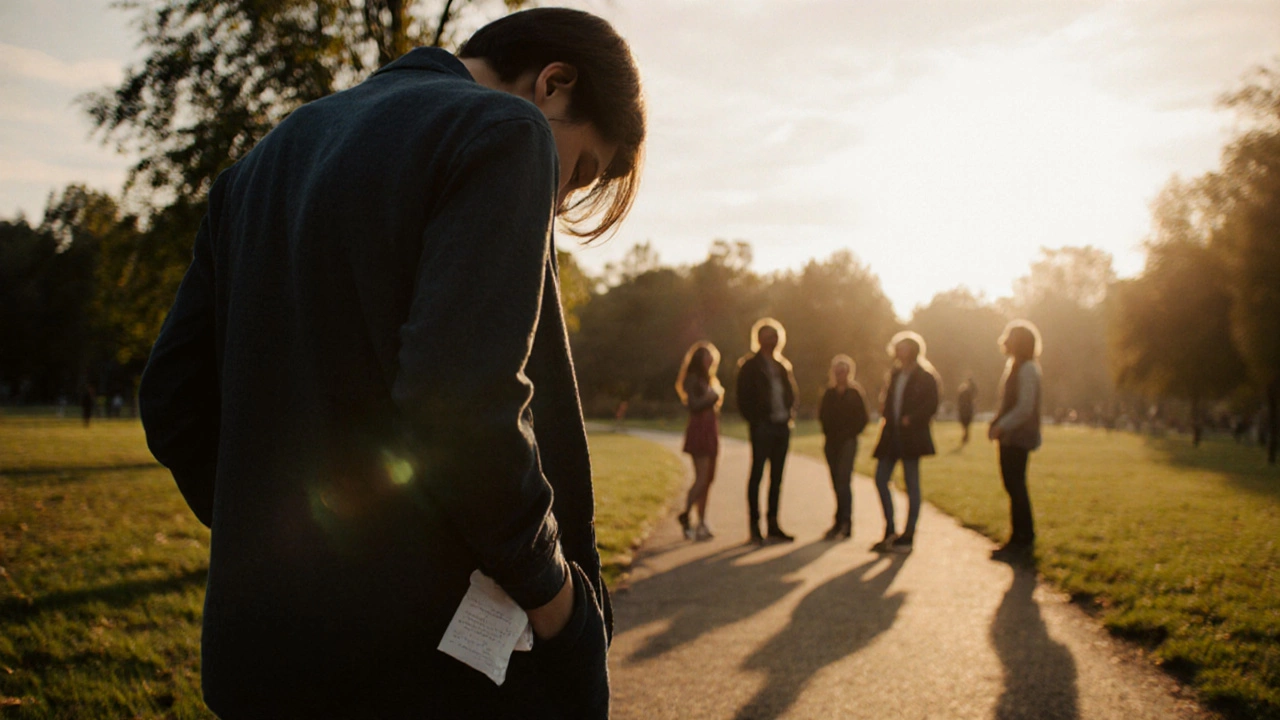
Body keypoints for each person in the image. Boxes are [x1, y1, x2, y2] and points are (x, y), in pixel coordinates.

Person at [137, 9, 645, 718]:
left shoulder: (263, 159)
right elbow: (461, 405)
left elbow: (172, 403)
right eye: (581, 172)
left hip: (258, 662)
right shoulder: (504, 129)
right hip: (419, 672)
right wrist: (558, 600)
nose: (558, 205)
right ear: (555, 83)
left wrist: (278, 545)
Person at [871, 331, 941, 553]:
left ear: (913, 349)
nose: (899, 351)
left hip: (912, 436)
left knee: (912, 485)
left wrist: (913, 418)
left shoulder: (926, 375)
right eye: (898, 347)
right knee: (881, 478)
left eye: (904, 347)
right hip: (891, 435)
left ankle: (909, 534)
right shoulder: (894, 374)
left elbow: (932, 405)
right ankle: (890, 529)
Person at [736, 318, 799, 545]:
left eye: (774, 336)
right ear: (759, 339)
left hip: (782, 427)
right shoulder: (750, 366)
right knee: (757, 475)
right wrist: (756, 420)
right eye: (767, 336)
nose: (771, 340)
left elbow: (791, 393)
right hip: (763, 426)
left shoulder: (782, 366)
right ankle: (754, 527)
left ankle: (773, 524)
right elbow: (742, 399)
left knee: (777, 478)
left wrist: (790, 412)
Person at [988, 321, 1044, 563]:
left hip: (1019, 436)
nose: (1005, 340)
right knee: (1012, 485)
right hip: (1009, 436)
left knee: (1016, 485)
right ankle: (1017, 537)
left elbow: (1024, 407)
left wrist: (1002, 425)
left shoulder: (1028, 369)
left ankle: (1024, 538)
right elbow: (1008, 403)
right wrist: (996, 421)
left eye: (1010, 337)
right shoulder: (1015, 366)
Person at [675, 342, 723, 541]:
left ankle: (702, 520)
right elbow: (694, 405)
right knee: (702, 478)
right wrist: (712, 398)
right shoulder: (693, 380)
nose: (710, 362)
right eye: (707, 358)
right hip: (699, 430)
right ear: (699, 360)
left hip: (710, 430)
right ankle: (685, 514)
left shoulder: (708, 379)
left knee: (709, 479)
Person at [818, 355, 869, 541]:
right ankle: (839, 521)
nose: (841, 374)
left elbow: (863, 419)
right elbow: (823, 416)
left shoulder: (855, 393)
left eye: (844, 371)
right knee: (835, 482)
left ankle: (846, 522)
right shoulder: (829, 394)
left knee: (843, 481)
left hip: (848, 442)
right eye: (838, 371)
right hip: (832, 443)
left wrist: (849, 433)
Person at [957, 378, 976, 445]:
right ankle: (966, 435)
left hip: (964, 411)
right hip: (966, 411)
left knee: (965, 425)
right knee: (966, 425)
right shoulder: (968, 394)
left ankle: (965, 436)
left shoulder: (964, 393)